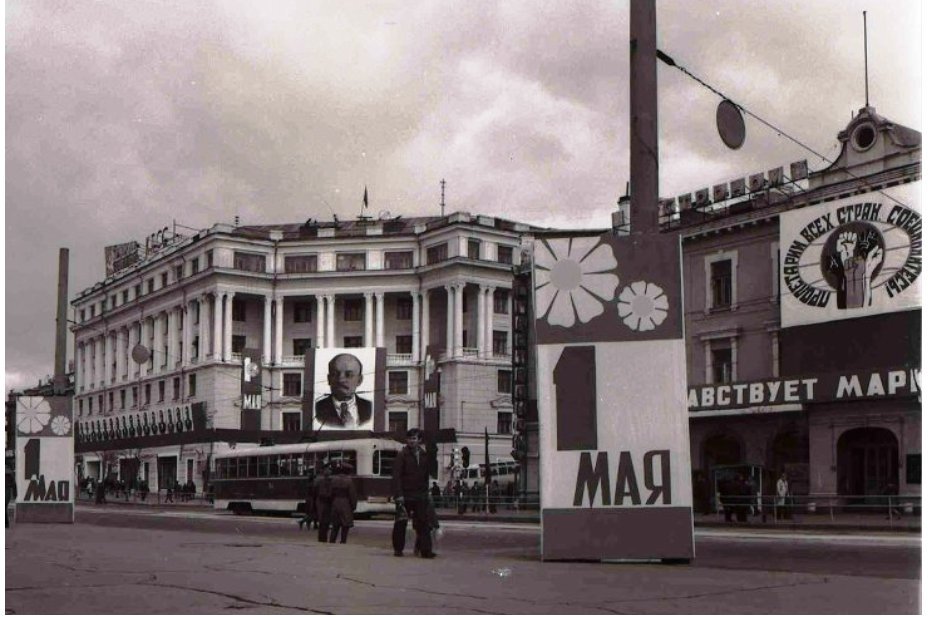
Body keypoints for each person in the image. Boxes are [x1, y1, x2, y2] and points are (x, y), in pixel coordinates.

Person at [391, 428, 435, 558]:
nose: (411, 441)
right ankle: (398, 549)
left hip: (420, 495)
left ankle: (426, 551)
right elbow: (396, 476)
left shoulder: (424, 455)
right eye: (409, 438)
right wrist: (398, 495)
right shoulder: (402, 455)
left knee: (423, 523)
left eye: (414, 438)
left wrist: (427, 493)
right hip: (405, 495)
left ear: (419, 440)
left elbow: (426, 475)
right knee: (401, 523)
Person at [314, 354, 373, 429]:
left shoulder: (370, 407)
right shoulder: (316, 409)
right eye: (335, 374)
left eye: (348, 375)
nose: (341, 380)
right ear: (329, 379)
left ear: (359, 380)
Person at [328, 464, 358, 544]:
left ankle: (332, 540)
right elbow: (352, 495)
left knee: (335, 524)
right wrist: (354, 506)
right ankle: (343, 541)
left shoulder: (334, 480)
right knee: (345, 524)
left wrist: (332, 503)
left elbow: (330, 493)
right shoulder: (349, 481)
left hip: (335, 502)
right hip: (345, 503)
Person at [314, 465, 334, 543]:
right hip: (324, 501)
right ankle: (323, 537)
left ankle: (322, 538)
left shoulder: (318, 480)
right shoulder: (323, 480)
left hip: (321, 501)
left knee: (323, 521)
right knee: (324, 521)